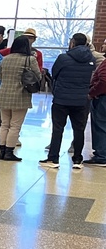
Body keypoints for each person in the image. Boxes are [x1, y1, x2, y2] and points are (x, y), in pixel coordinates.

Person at [40, 32, 96, 170]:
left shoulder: (63, 58)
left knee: (58, 129)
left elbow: (55, 74)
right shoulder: (92, 59)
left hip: (61, 99)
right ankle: (77, 159)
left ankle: (53, 158)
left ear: (73, 42)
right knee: (79, 130)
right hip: (81, 100)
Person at [0, 35, 34, 162]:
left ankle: (2, 151)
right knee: (15, 125)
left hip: (3, 94)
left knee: (4, 124)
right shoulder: (29, 59)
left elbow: (0, 76)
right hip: (20, 95)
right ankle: (9, 152)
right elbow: (37, 76)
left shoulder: (4, 59)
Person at [85, 52, 106, 167]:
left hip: (103, 99)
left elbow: (103, 81)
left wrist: (92, 92)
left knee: (100, 126)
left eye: (105, 44)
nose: (103, 46)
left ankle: (101, 156)